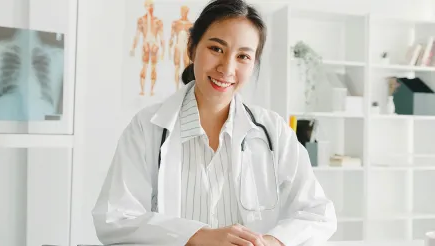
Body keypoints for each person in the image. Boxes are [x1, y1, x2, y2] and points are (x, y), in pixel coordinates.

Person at [92, 0, 337, 245]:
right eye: (216, 49)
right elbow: (115, 219)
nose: (227, 68)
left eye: (243, 56)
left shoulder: (273, 131)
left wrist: (270, 242)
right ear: (191, 47)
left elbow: (318, 214)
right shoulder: (147, 127)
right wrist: (197, 236)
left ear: (253, 64)